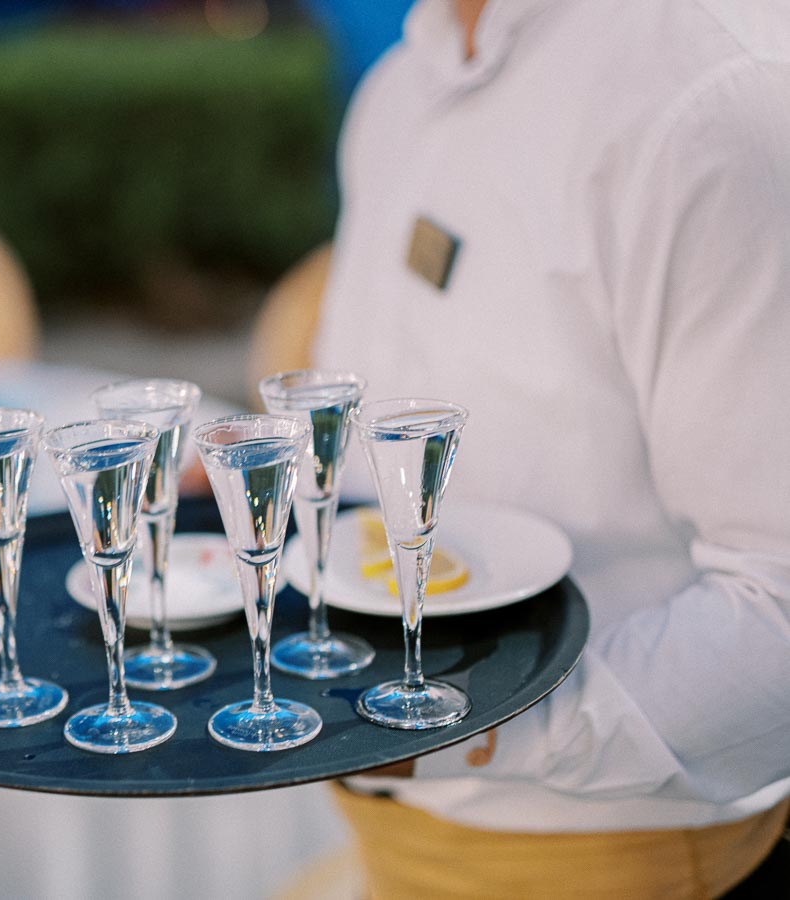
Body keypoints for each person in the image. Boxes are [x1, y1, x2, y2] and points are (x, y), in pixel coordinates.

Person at [307, 0, 790, 896]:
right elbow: (373, 413)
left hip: (617, 867)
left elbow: (781, 611)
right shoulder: (396, 93)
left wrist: (464, 730)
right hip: (379, 847)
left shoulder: (716, 93)